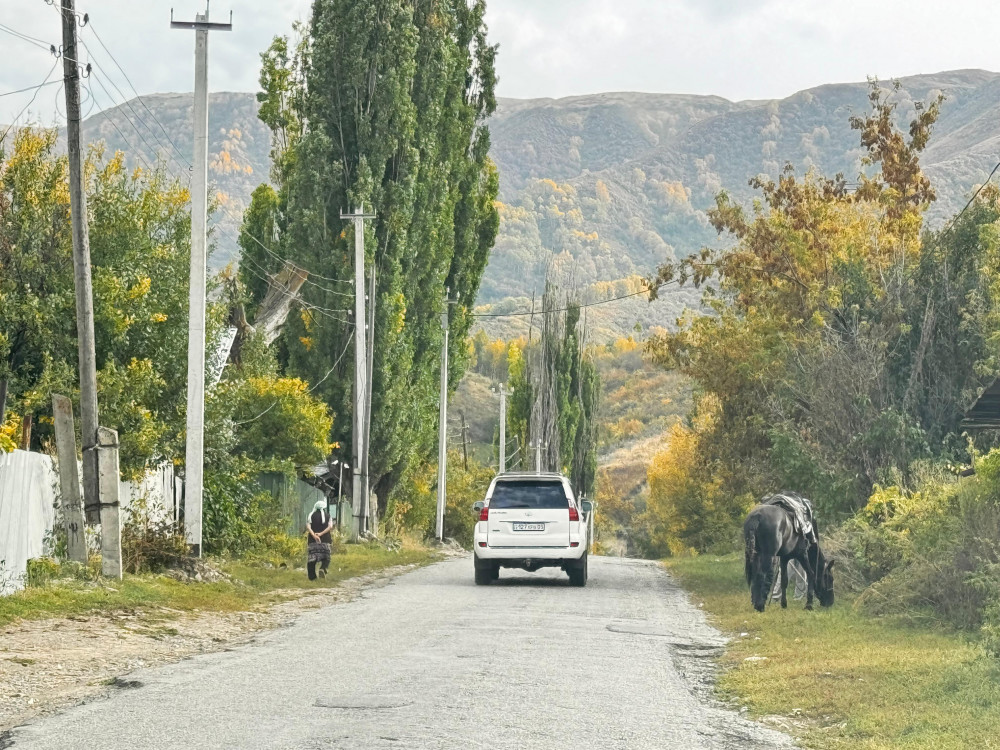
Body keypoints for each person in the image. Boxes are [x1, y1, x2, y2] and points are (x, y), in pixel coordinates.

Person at [306, 500, 333, 580]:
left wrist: (314, 535)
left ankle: (312, 577)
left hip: (312, 541)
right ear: (324, 507)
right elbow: (330, 526)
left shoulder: (311, 515)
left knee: (312, 560)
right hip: (325, 540)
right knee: (326, 558)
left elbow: (308, 527)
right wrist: (320, 534)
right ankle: (323, 568)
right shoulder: (328, 516)